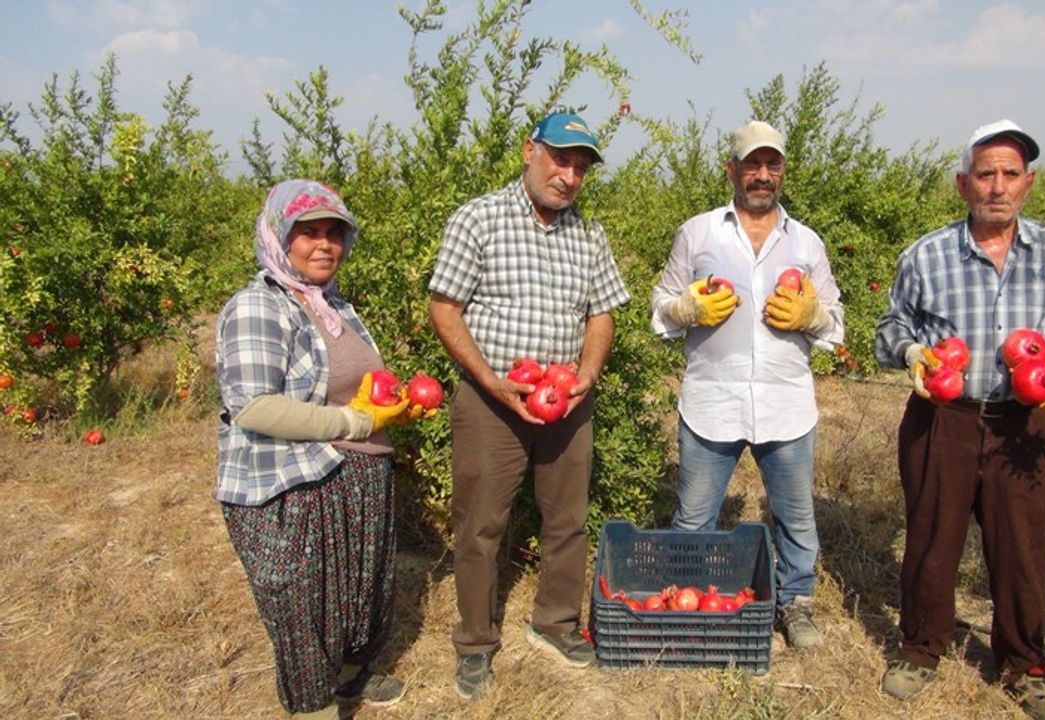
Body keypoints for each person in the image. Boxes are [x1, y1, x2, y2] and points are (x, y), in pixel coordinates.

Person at [874, 120, 1045, 720]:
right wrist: (912, 354)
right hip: (943, 418)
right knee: (930, 538)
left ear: (1029, 182)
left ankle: (1025, 665)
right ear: (961, 183)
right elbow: (891, 327)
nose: (998, 185)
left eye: (1010, 173)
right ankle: (920, 650)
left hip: (1025, 423)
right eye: (985, 173)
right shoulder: (926, 254)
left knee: (1024, 548)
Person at [427, 111, 630, 700]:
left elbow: (602, 312)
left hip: (565, 401)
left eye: (580, 166)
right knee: (480, 524)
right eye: (560, 159)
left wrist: (587, 374)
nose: (568, 175)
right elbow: (445, 308)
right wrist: (492, 382)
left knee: (566, 519)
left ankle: (557, 622)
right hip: (493, 400)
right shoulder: (480, 218)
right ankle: (474, 642)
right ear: (528, 151)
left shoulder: (588, 234)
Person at [215, 179, 414, 720]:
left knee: (355, 594)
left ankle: (350, 676)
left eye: (334, 233)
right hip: (294, 482)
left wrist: (392, 406)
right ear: (280, 238)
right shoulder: (258, 306)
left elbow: (356, 385)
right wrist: (350, 420)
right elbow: (254, 405)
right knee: (304, 609)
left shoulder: (335, 305)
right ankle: (314, 704)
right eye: (309, 233)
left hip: (357, 473)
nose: (324, 245)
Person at [650, 120, 845, 650]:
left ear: (783, 171)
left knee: (796, 517)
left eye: (772, 164)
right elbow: (660, 305)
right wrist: (685, 307)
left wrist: (813, 316)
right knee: (693, 518)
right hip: (712, 400)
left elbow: (836, 323)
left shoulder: (806, 242)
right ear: (731, 169)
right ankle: (687, 601)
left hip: (785, 403)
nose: (763, 175)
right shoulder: (698, 233)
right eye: (752, 164)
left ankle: (795, 603)